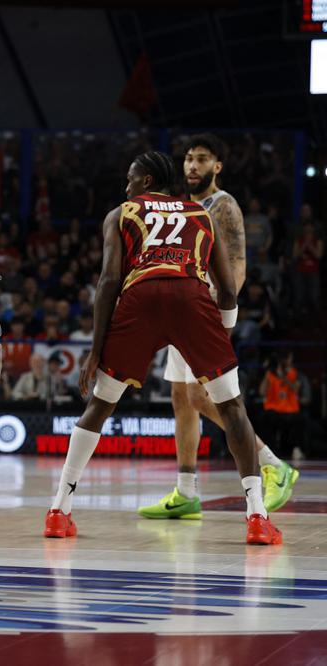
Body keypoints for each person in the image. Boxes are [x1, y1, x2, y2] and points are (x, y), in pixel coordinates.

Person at [44, 151, 282, 546]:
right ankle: (257, 517)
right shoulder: (202, 215)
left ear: (149, 182)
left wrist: (95, 349)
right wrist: (223, 336)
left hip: (141, 298)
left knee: (99, 406)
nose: (127, 187)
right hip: (192, 297)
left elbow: (107, 283)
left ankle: (58, 511)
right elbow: (225, 289)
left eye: (131, 179)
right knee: (232, 408)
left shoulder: (122, 213)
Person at [138, 135, 297, 520]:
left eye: (202, 159)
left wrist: (223, 317)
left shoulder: (223, 206)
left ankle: (275, 464)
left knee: (201, 398)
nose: (192, 166)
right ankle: (187, 493)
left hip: (206, 313)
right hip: (183, 308)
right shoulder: (185, 207)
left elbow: (238, 266)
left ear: (217, 166)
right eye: (189, 159)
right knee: (181, 398)